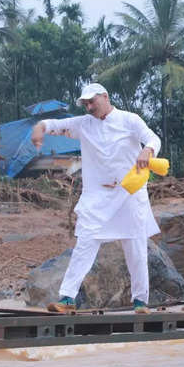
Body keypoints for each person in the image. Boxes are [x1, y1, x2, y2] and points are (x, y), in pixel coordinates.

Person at [31, 83, 161, 314]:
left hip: (129, 194)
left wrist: (147, 150)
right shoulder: (83, 124)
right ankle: (68, 298)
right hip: (97, 196)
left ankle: (140, 301)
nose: (89, 107)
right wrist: (40, 127)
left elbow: (153, 138)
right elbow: (57, 125)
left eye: (93, 101)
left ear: (105, 97)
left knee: (136, 247)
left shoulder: (129, 120)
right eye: (86, 103)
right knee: (85, 243)